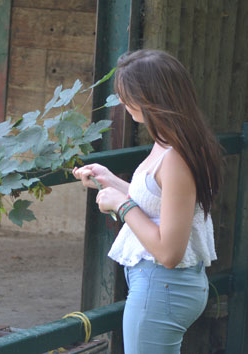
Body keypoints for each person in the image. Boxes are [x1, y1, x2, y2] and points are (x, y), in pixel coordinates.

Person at [72, 49, 222, 353]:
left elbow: (169, 252)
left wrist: (121, 205)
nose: (123, 104)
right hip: (168, 287)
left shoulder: (175, 158)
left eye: (127, 96)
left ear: (151, 97)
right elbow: (160, 204)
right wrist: (110, 180)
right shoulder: (172, 143)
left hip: (162, 286)